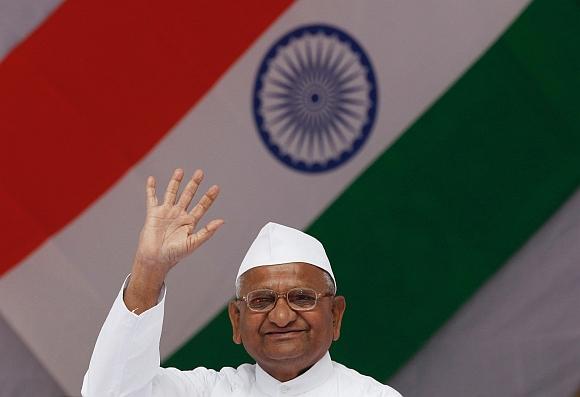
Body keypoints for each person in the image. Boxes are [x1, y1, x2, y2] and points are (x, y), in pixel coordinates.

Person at [81, 169, 402, 396]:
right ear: (236, 320)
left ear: (335, 315)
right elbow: (110, 393)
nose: (281, 317)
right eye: (261, 301)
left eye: (301, 298)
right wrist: (148, 270)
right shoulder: (207, 392)